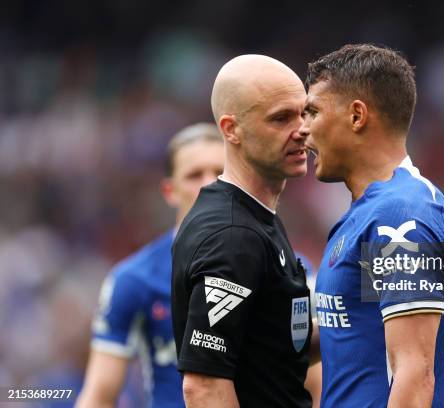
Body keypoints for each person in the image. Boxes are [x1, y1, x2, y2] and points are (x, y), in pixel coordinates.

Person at [300, 44, 444, 408]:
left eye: (312, 111)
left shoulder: (402, 214)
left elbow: (414, 375)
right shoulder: (367, 213)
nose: (303, 129)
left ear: (357, 115)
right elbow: (350, 335)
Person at [171, 55, 312, 408]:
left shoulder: (254, 216)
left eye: (305, 113)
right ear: (231, 129)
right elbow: (203, 386)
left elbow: (274, 347)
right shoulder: (232, 235)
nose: (303, 130)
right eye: (281, 118)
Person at [76, 123, 225, 408]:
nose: (209, 184)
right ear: (170, 190)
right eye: (195, 175)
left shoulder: (285, 269)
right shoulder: (135, 279)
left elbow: (314, 383)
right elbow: (98, 396)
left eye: (220, 172)